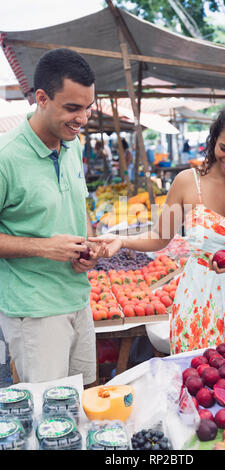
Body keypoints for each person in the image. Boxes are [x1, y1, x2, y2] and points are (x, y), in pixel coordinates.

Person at [90, 102, 225, 354]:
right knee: (198, 376)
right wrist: (121, 240)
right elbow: (159, 236)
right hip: (200, 302)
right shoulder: (188, 182)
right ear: (213, 141)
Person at [0, 48, 102, 386]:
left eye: (87, 107)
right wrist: (45, 247)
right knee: (49, 415)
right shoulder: (5, 157)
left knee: (86, 401)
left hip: (78, 298)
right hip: (35, 310)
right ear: (42, 98)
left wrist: (89, 249)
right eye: (72, 108)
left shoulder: (72, 145)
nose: (83, 119)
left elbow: (77, 210)